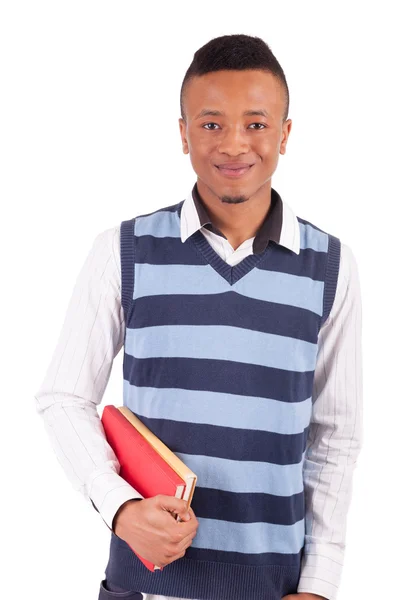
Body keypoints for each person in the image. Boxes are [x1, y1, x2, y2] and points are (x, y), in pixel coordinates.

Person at [34, 33, 363, 600]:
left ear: (285, 134)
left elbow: (336, 436)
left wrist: (320, 582)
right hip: (146, 585)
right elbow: (62, 397)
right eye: (211, 124)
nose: (235, 143)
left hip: (275, 589)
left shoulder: (330, 266)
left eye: (256, 124)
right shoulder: (123, 249)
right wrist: (121, 508)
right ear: (183, 134)